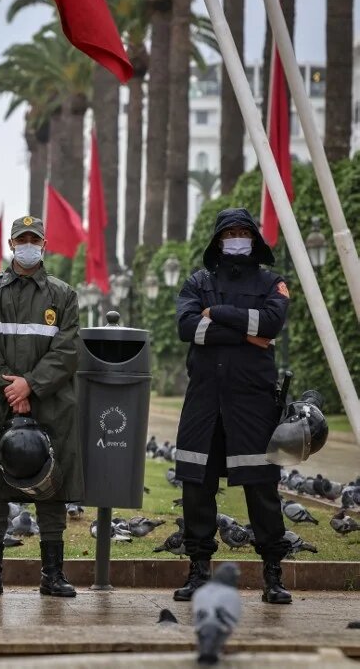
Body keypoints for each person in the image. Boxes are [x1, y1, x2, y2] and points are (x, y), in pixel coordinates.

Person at [173, 207, 292, 604]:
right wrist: (247, 332)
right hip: (204, 401)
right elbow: (188, 328)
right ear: (218, 240)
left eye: (243, 232)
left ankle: (273, 574)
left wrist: (219, 314)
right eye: (229, 233)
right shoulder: (198, 282)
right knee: (196, 487)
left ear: (254, 238)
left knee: (261, 488)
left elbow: (272, 324)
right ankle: (198, 572)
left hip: (253, 404)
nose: (236, 238)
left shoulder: (272, 282)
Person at [0, 215, 82, 598]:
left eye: (35, 238)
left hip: (51, 403)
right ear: (12, 245)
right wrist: (13, 390)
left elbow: (67, 351)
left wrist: (31, 384)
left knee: (51, 485)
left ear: (43, 244)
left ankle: (53, 575)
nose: (28, 244)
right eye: (22, 239)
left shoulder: (63, 295)